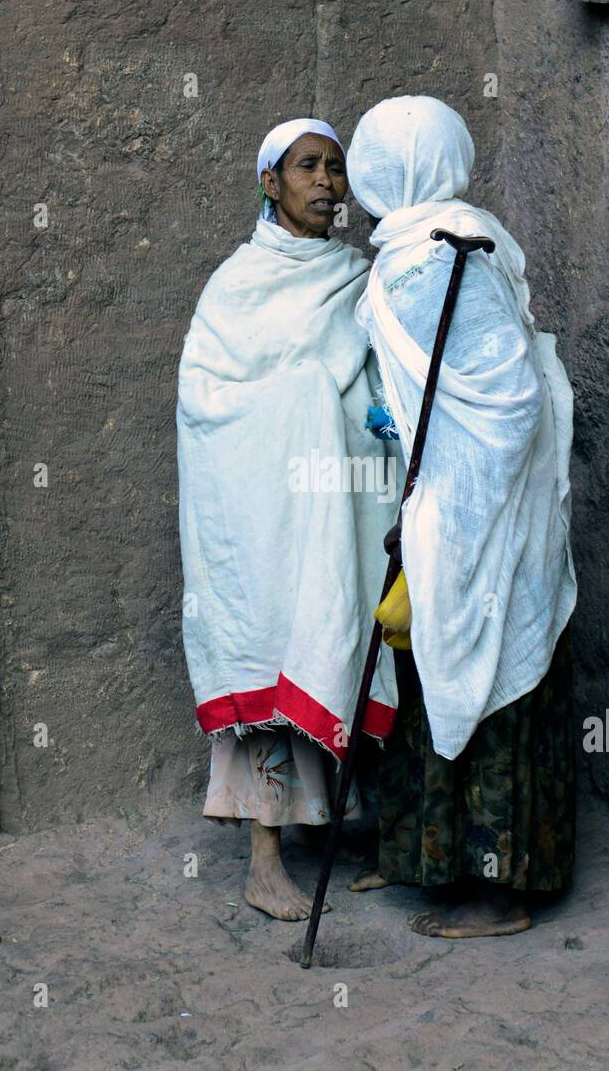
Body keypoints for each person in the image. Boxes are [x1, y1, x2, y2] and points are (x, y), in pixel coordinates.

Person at [344, 95, 578, 937]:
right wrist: (411, 440)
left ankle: (500, 892)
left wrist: (455, 493)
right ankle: (422, 859)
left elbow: (508, 401)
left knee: (492, 689)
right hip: (444, 502)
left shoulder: (455, 257)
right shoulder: (413, 253)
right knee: (432, 667)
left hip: (491, 513)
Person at [177, 118, 400, 921]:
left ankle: (378, 834)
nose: (326, 183)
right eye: (307, 167)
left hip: (343, 502)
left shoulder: (357, 277)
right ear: (270, 182)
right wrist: (305, 394)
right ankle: (263, 864)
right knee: (269, 648)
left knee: (353, 630)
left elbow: (384, 381)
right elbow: (204, 402)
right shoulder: (237, 287)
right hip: (262, 513)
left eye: (336, 168)